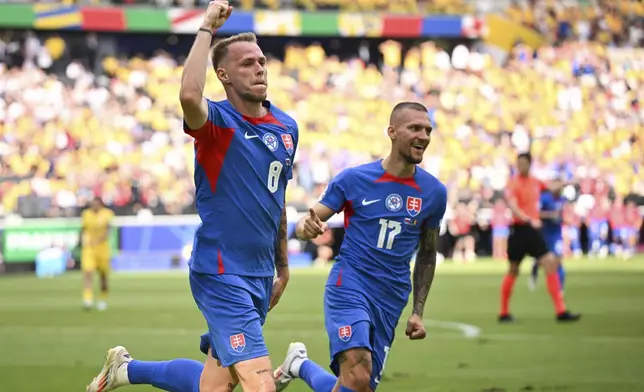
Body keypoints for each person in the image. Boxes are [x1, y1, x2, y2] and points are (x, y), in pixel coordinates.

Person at [86, 2, 297, 392]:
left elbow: (277, 198)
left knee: (213, 387)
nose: (259, 68)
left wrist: (282, 266)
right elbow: (188, 95)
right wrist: (205, 29)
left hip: (259, 272)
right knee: (261, 386)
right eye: (247, 63)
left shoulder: (287, 127)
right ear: (224, 75)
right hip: (221, 272)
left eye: (262, 61)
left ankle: (126, 370)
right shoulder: (216, 123)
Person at [273, 102, 448, 392]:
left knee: (356, 387)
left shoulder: (434, 193)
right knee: (356, 370)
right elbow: (308, 221)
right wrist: (307, 228)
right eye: (415, 128)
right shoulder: (354, 179)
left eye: (428, 130)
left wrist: (418, 311)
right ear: (391, 132)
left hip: (391, 296)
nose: (424, 136)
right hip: (350, 283)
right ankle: (299, 365)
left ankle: (299, 365)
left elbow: (427, 254)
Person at [500, 153, 580, 323]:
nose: (520, 166)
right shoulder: (513, 183)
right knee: (513, 270)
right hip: (520, 230)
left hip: (532, 231)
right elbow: (513, 206)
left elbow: (552, 188)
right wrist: (528, 219)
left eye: (523, 163)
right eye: (518, 163)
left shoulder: (536, 182)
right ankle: (504, 313)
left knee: (550, 262)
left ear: (530, 164)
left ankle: (561, 311)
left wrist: (567, 183)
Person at [528, 178, 566, 293]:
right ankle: (533, 274)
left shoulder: (563, 199)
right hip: (544, 233)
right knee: (541, 260)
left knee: (558, 260)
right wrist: (550, 215)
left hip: (557, 234)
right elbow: (536, 213)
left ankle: (560, 288)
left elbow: (563, 215)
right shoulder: (544, 198)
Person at [80, 196, 114, 311]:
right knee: (88, 272)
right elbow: (83, 229)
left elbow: (108, 230)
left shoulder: (107, 214)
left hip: (102, 248)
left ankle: (102, 298)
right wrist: (82, 240)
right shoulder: (86, 214)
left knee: (103, 276)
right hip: (89, 248)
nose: (94, 206)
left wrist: (98, 240)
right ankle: (87, 298)